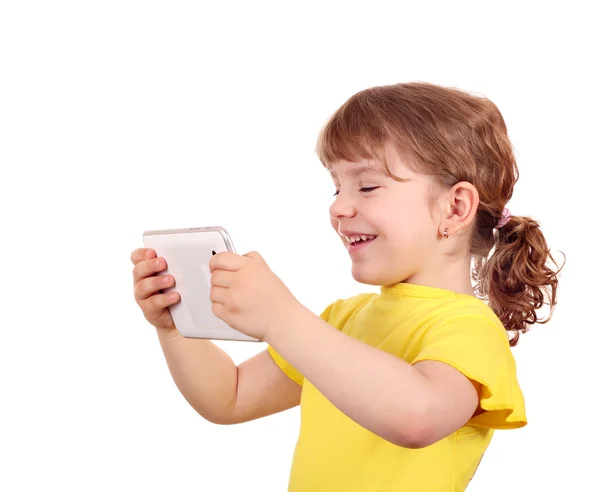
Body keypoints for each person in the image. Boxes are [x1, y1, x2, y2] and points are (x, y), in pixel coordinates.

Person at [131, 81, 561, 491]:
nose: (338, 207)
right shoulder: (343, 320)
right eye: (336, 187)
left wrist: (283, 319)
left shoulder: (469, 327)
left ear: (455, 207)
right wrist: (174, 324)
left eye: (368, 186)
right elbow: (230, 397)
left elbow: (417, 416)